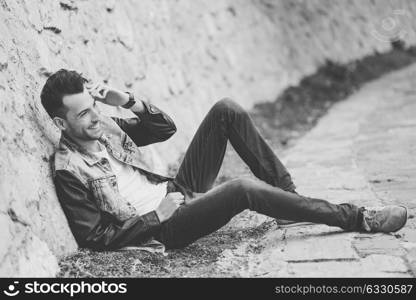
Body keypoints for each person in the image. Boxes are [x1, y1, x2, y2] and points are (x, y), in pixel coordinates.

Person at [40, 69, 408, 251]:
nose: (94, 116)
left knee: (226, 110)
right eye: (83, 113)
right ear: (60, 122)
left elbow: (164, 128)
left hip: (176, 191)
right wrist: (158, 216)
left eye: (93, 106)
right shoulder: (68, 169)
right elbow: (94, 236)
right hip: (166, 225)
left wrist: (127, 101)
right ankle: (357, 217)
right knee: (242, 190)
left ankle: (287, 201)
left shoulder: (101, 125)